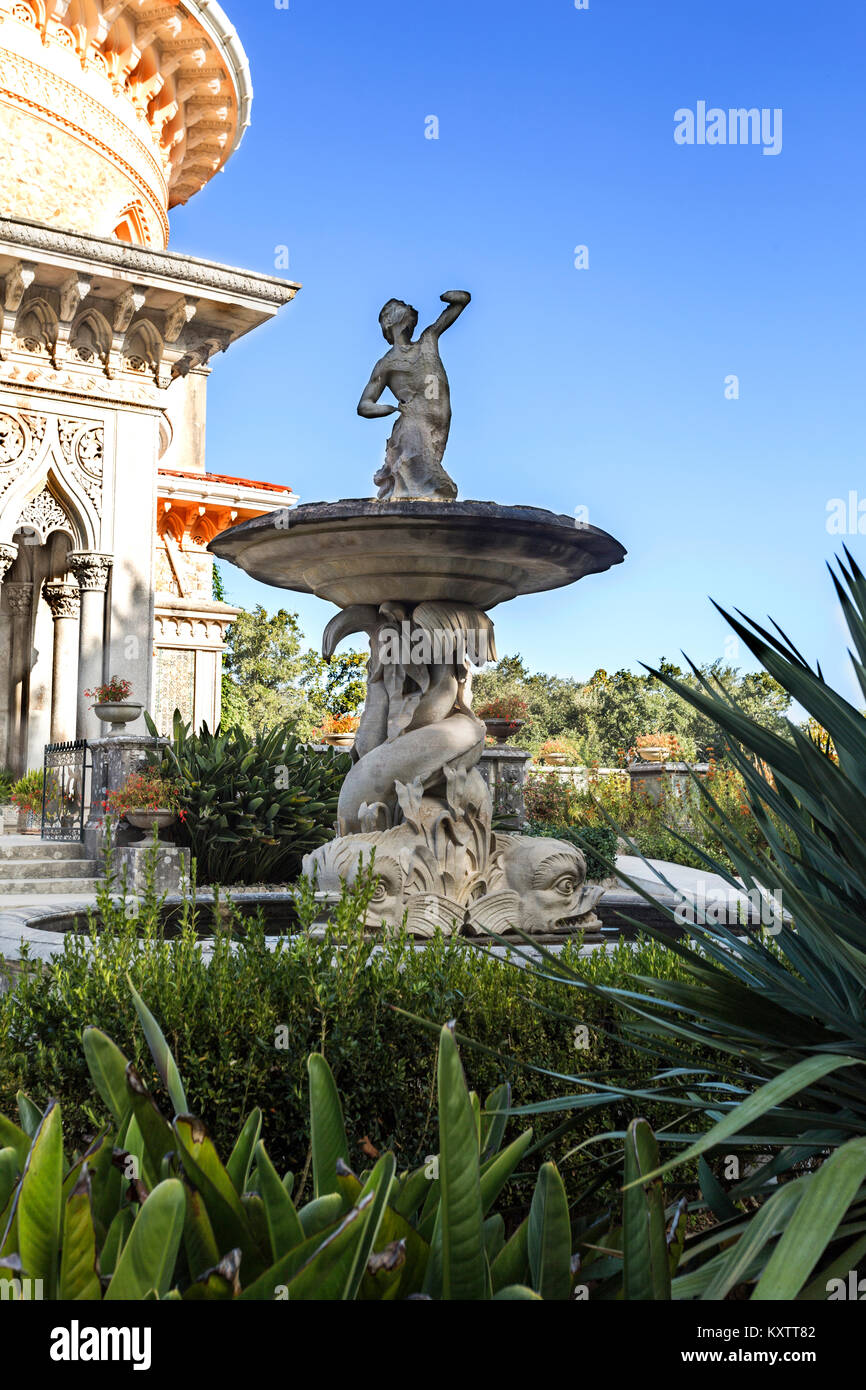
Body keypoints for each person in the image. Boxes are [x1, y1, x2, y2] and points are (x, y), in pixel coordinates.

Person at [358, 290, 471, 500]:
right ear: (390, 320)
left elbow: (460, 304)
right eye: (400, 304)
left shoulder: (428, 340)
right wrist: (388, 409)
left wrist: (455, 298)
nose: (407, 306)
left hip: (439, 421)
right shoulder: (387, 363)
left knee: (427, 482)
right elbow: (364, 405)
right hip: (413, 423)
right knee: (428, 484)